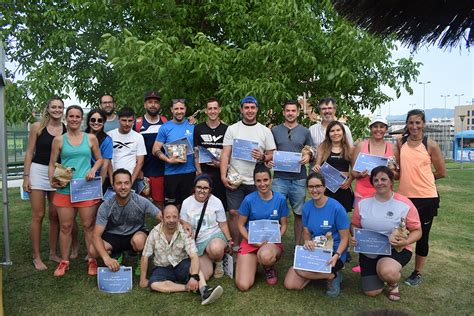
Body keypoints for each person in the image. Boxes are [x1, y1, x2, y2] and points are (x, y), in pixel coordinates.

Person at [351, 166, 422, 301]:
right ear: (372, 182)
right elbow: (354, 224)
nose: (379, 183)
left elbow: (417, 231)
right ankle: (379, 272)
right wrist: (355, 236)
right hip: (369, 249)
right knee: (372, 292)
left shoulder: (404, 203)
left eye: (384, 179)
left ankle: (392, 283)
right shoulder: (363, 202)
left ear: (391, 182)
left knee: (387, 271)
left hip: (395, 249)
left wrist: (406, 241)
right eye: (376, 180)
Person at [49, 105, 103, 277]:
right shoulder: (59, 140)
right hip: (65, 188)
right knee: (65, 226)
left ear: (81, 119)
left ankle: (92, 259)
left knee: (88, 225)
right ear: (66, 118)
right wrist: (53, 180)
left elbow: (100, 159)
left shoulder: (91, 138)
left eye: (77, 116)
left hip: (86, 189)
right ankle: (64, 261)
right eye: (71, 116)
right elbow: (52, 163)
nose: (74, 119)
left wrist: (93, 169)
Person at [397, 109, 446, 286]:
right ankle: (391, 267)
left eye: (418, 123)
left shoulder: (430, 144)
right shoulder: (400, 142)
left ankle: (417, 273)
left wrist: (422, 179)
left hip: (427, 198)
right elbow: (397, 172)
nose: (414, 126)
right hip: (404, 198)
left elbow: (441, 172)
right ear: (407, 124)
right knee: (398, 232)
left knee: (422, 236)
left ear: (423, 124)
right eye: (411, 123)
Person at [139, 205, 224, 306]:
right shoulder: (154, 233)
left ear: (179, 217)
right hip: (162, 267)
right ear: (162, 217)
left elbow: (193, 256)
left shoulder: (185, 231)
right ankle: (186, 288)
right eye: (168, 217)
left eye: (174, 217)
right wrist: (143, 279)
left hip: (181, 264)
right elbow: (145, 256)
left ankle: (204, 290)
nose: (171, 220)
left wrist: (194, 277)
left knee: (195, 268)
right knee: (154, 285)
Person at [220, 96, 276, 244]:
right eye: (246, 107)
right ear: (241, 109)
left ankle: (257, 245)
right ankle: (236, 246)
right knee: (233, 213)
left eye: (252, 107)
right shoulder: (232, 129)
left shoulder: (264, 131)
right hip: (236, 179)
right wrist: (222, 175)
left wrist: (263, 156)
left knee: (256, 214)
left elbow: (272, 154)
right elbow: (225, 154)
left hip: (257, 180)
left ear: (257, 109)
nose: (249, 111)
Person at [283, 172, 350, 297]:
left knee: (301, 271)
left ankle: (333, 275)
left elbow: (345, 238)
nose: (315, 190)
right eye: (311, 187)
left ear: (324, 187)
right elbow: (307, 232)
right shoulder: (307, 207)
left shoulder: (337, 208)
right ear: (307, 188)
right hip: (316, 250)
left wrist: (337, 255)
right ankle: (327, 275)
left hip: (333, 252)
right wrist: (307, 241)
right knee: (290, 284)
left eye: (318, 186)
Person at [23, 96, 69, 270]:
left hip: (57, 172)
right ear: (48, 109)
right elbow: (29, 152)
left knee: (55, 215)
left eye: (60, 107)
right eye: (54, 107)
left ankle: (52, 253)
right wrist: (26, 177)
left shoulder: (66, 129)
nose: (57, 110)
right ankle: (36, 256)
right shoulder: (37, 127)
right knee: (38, 215)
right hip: (38, 171)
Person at [89, 169, 161, 275]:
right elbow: (96, 235)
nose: (123, 187)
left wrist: (182, 222)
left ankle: (141, 259)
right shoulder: (106, 206)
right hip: (113, 236)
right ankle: (115, 255)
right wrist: (106, 258)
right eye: (119, 183)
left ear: (131, 184)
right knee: (92, 250)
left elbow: (162, 217)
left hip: (135, 234)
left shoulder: (140, 201)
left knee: (139, 241)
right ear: (113, 186)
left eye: (126, 183)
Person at [235, 164, 288, 291]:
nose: (262, 184)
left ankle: (268, 267)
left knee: (266, 256)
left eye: (265, 180)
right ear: (254, 182)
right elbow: (240, 225)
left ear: (271, 180)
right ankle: (253, 260)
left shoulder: (280, 199)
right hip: (251, 241)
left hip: (271, 243)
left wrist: (276, 238)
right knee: (243, 285)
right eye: (258, 181)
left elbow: (284, 224)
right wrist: (251, 240)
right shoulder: (248, 200)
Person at [270, 100, 313, 245]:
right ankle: (273, 244)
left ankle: (297, 245)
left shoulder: (305, 131)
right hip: (279, 178)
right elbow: (270, 152)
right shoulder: (275, 130)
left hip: (299, 178)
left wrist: (308, 156)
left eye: (293, 110)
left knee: (299, 214)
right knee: (275, 212)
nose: (290, 113)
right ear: (283, 112)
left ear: (298, 112)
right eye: (287, 110)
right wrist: (268, 160)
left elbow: (311, 149)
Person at [180, 174, 232, 280]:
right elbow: (182, 221)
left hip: (213, 236)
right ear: (194, 188)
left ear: (210, 190)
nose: (202, 191)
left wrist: (229, 239)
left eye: (205, 188)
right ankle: (209, 259)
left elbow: (222, 223)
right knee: (205, 275)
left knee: (215, 249)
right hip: (197, 241)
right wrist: (185, 224)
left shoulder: (216, 202)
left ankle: (218, 261)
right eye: (199, 187)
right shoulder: (186, 202)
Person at [153, 99, 196, 207]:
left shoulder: (193, 126)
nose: (179, 111)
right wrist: (168, 160)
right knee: (171, 208)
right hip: (171, 174)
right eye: (176, 108)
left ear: (185, 110)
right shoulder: (165, 128)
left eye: (181, 108)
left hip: (190, 172)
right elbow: (155, 149)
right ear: (171, 110)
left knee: (189, 207)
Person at [133, 91, 168, 209]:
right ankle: (141, 228)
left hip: (161, 171)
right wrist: (138, 171)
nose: (153, 105)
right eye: (150, 102)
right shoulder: (137, 124)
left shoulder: (165, 122)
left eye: (156, 102)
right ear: (145, 105)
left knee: (160, 204)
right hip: (142, 172)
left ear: (159, 105)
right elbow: (132, 149)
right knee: (140, 205)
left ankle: (162, 227)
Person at [193, 97, 228, 210]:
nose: (212, 111)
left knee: (221, 207)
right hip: (204, 173)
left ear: (219, 110)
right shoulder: (198, 128)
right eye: (210, 108)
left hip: (221, 174)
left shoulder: (227, 129)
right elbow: (196, 152)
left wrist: (221, 165)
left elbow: (230, 154)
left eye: (215, 108)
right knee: (203, 206)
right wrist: (199, 172)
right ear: (206, 111)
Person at [313, 120, 354, 213]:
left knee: (341, 217)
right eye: (332, 131)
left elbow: (355, 170)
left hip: (343, 188)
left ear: (343, 132)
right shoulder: (323, 146)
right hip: (326, 188)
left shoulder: (350, 149)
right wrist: (316, 167)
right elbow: (317, 165)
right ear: (328, 134)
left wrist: (349, 180)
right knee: (325, 216)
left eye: (338, 130)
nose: (335, 133)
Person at [108, 107, 147, 191]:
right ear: (118, 119)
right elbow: (107, 160)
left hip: (132, 179)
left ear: (133, 121)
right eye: (124, 120)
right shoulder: (110, 135)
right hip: (114, 178)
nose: (127, 123)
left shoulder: (138, 137)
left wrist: (131, 182)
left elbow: (140, 161)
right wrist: (112, 180)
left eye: (130, 121)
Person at [85, 109, 113, 191]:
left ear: (103, 122)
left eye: (100, 120)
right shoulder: (81, 136)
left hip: (96, 178)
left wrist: (98, 186)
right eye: (93, 120)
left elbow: (105, 166)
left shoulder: (107, 140)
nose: (96, 122)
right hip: (80, 176)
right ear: (88, 121)